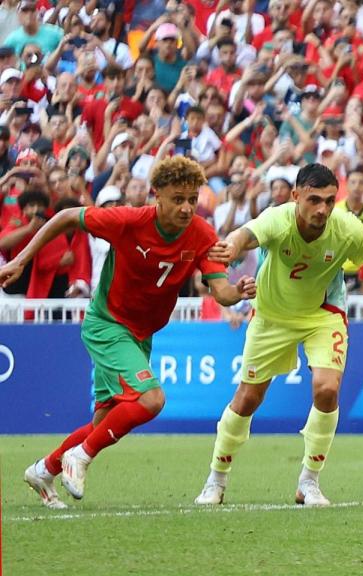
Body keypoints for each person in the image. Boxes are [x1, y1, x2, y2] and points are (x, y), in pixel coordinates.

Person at [7, 157, 256, 509]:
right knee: (151, 399)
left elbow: (221, 291)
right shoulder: (128, 220)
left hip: (141, 336)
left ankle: (44, 470)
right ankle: (78, 457)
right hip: (107, 324)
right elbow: (65, 218)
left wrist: (239, 290)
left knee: (105, 422)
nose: (187, 207)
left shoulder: (201, 233)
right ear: (157, 196)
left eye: (192, 198)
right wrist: (20, 261)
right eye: (178, 198)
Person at [194, 163, 363, 507]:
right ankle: (215, 480)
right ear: (296, 197)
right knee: (247, 399)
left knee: (327, 389)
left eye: (328, 200)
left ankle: (309, 481)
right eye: (313, 200)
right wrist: (232, 248)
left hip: (322, 314)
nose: (322, 209)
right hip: (271, 315)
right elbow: (245, 236)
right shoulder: (277, 219)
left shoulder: (344, 227)